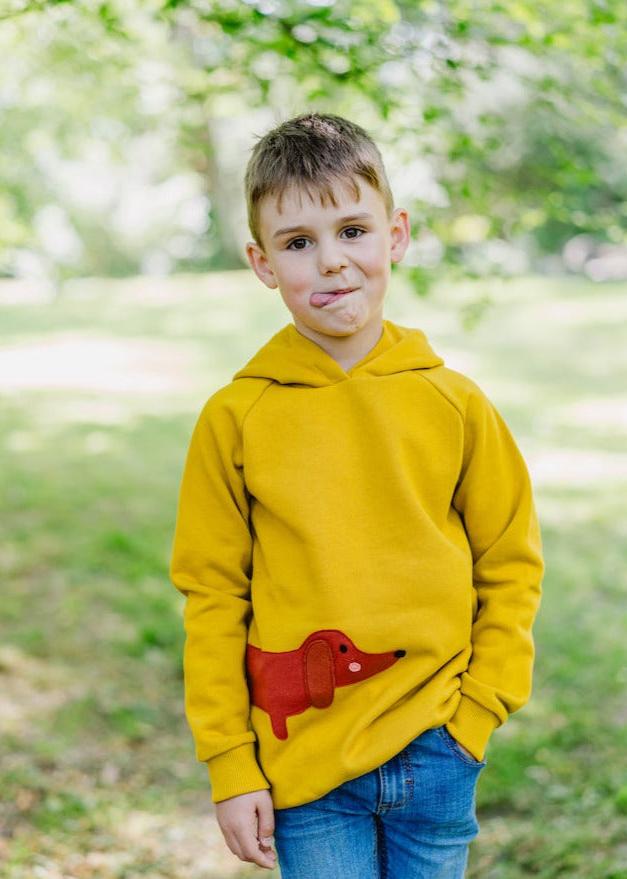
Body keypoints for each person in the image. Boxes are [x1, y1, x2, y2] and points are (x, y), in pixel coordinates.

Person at [169, 112, 545, 878]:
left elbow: (509, 564)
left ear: (395, 234)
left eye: (352, 230)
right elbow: (212, 595)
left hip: (438, 743)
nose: (332, 262)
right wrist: (230, 763)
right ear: (261, 261)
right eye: (298, 242)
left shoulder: (455, 403)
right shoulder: (235, 418)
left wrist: (476, 713)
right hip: (306, 766)